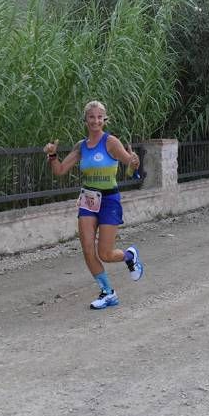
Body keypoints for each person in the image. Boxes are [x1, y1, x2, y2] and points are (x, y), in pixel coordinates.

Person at [44, 100, 145, 309]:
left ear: (104, 120)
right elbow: (60, 170)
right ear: (85, 120)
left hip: (109, 201)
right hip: (88, 201)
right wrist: (52, 155)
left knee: (105, 254)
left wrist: (134, 161)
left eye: (100, 117)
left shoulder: (111, 142)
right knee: (88, 250)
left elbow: (129, 164)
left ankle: (129, 256)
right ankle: (108, 293)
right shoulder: (81, 147)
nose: (96, 121)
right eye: (92, 117)